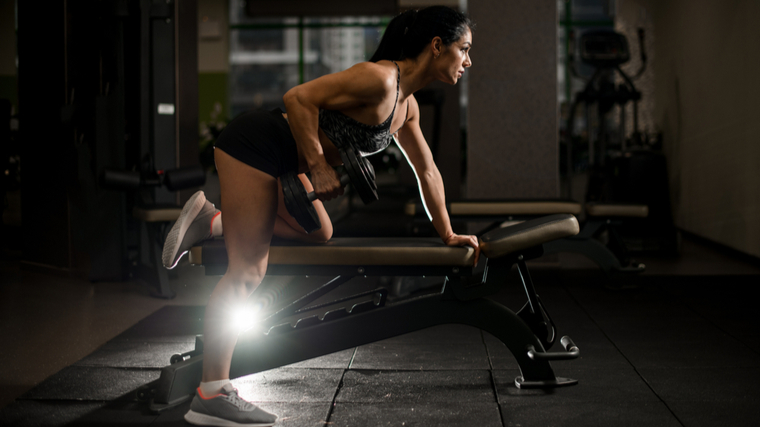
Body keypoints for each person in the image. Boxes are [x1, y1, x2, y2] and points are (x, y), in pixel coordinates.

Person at [162, 6, 477, 426]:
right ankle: (211, 393)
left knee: (319, 231)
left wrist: (449, 234)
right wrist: (319, 166)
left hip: (287, 160)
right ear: (437, 46)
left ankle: (213, 221)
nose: (468, 61)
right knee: (248, 272)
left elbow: (428, 169)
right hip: (259, 143)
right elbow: (298, 97)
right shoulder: (381, 79)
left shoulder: (407, 105)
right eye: (464, 49)